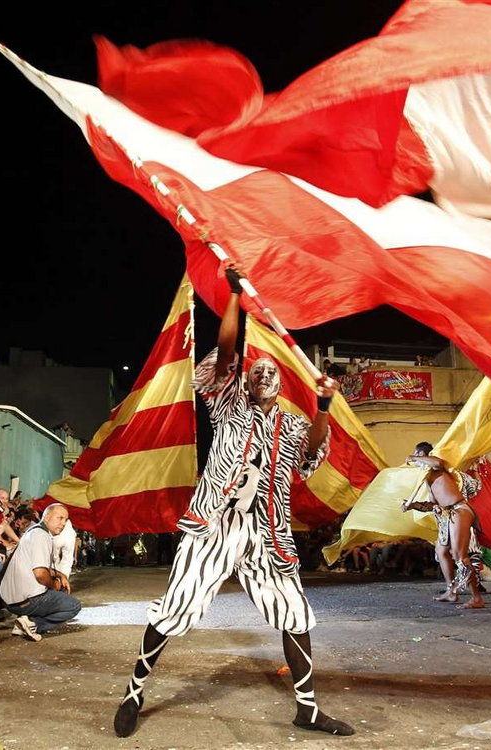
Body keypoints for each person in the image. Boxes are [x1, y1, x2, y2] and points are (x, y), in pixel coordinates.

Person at [113, 262, 354, 739]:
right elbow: (226, 352)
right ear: (244, 383)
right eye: (255, 372)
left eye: (269, 372)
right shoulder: (228, 406)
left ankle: (307, 708)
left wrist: (324, 405)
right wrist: (234, 297)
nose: (262, 374)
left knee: (295, 614)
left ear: (281, 384)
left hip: (267, 533)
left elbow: (311, 452)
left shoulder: (294, 426)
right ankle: (134, 693)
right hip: (214, 527)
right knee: (176, 609)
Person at [402, 445, 484, 608]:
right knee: (441, 551)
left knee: (460, 555)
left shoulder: (437, 467)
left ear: (422, 454)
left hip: (459, 510)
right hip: (448, 515)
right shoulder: (427, 478)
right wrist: (412, 506)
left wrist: (414, 458)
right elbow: (432, 504)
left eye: (418, 454)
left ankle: (476, 598)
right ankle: (451, 591)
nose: (415, 457)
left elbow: (438, 463)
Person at [0, 503, 82, 641]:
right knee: (73, 605)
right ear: (47, 517)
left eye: (65, 520)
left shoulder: (33, 532)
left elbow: (39, 565)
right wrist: (54, 585)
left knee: (58, 589)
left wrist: (59, 574)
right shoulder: (41, 536)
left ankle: (24, 622)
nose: (63, 523)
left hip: (9, 599)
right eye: (60, 518)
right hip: (25, 601)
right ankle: (33, 624)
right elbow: (40, 574)